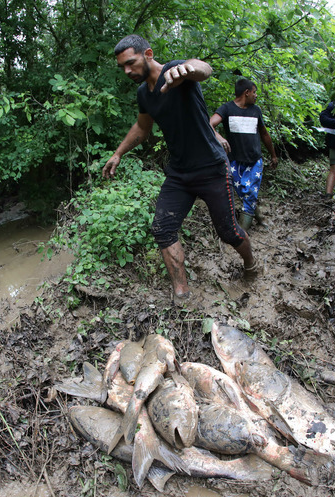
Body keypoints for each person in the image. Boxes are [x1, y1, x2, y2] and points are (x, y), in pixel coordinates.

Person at [102, 35, 258, 302]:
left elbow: (203, 69)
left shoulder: (177, 72)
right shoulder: (143, 94)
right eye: (122, 67)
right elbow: (142, 127)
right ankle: (182, 294)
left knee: (228, 232)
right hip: (179, 174)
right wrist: (118, 153)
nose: (127, 71)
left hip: (211, 167)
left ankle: (251, 266)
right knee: (163, 228)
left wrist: (187, 68)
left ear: (147, 54)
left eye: (131, 63)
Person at [210, 78, 279, 232]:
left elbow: (264, 134)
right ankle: (259, 217)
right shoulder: (227, 109)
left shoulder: (256, 111)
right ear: (246, 93)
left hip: (254, 161)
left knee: (250, 194)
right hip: (234, 162)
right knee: (245, 193)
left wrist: (273, 155)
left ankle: (241, 233)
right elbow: (209, 124)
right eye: (254, 92)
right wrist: (219, 137)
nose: (256, 96)